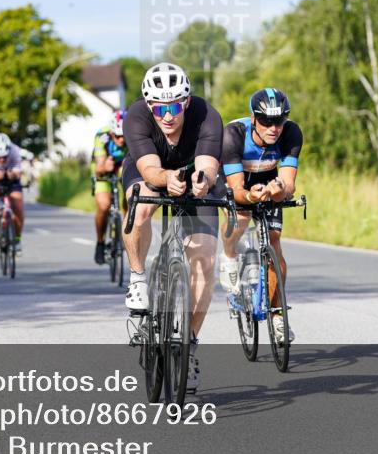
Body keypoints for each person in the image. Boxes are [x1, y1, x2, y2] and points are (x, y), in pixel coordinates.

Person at [121, 63, 223, 390]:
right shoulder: (136, 117)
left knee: (206, 260)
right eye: (160, 108)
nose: (168, 115)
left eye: (175, 106)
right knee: (141, 208)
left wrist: (202, 180)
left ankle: (189, 343)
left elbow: (208, 164)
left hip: (194, 179)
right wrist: (167, 178)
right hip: (150, 172)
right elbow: (150, 169)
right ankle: (138, 277)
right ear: (150, 107)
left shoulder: (207, 116)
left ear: (187, 103)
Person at [218, 88, 302, 344]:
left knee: (274, 241)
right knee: (241, 219)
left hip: (268, 178)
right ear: (253, 118)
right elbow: (236, 188)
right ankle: (230, 256)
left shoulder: (291, 133)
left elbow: (288, 185)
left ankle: (277, 316)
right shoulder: (233, 135)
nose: (273, 127)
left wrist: (278, 192)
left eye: (279, 120)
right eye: (266, 121)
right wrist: (251, 197)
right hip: (236, 180)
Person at [92, 109, 129, 264]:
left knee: (132, 199)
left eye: (123, 136)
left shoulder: (133, 133)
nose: (121, 140)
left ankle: (126, 234)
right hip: (104, 165)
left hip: (123, 165)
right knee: (104, 205)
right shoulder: (102, 136)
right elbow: (98, 169)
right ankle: (100, 242)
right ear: (112, 133)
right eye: (117, 136)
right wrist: (104, 168)